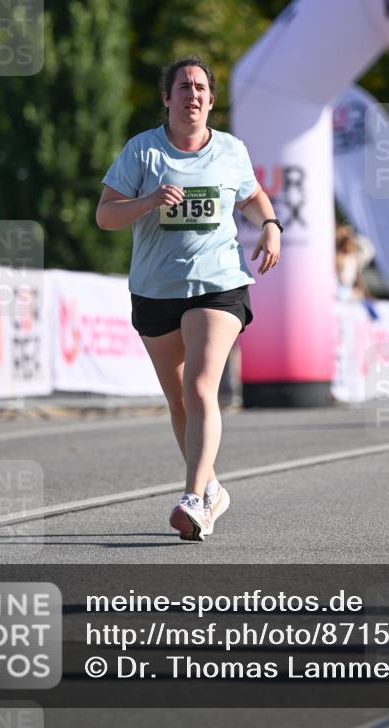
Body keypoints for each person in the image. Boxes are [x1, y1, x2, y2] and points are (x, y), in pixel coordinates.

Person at [96, 57, 282, 541]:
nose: (192, 95)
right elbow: (106, 216)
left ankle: (193, 497)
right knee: (179, 400)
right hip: (155, 290)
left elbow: (253, 195)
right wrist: (149, 201)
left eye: (201, 87)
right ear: (167, 98)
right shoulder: (142, 151)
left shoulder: (231, 151)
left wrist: (270, 225)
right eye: (183, 87)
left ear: (211, 100)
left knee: (201, 388)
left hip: (218, 285)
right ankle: (213, 489)